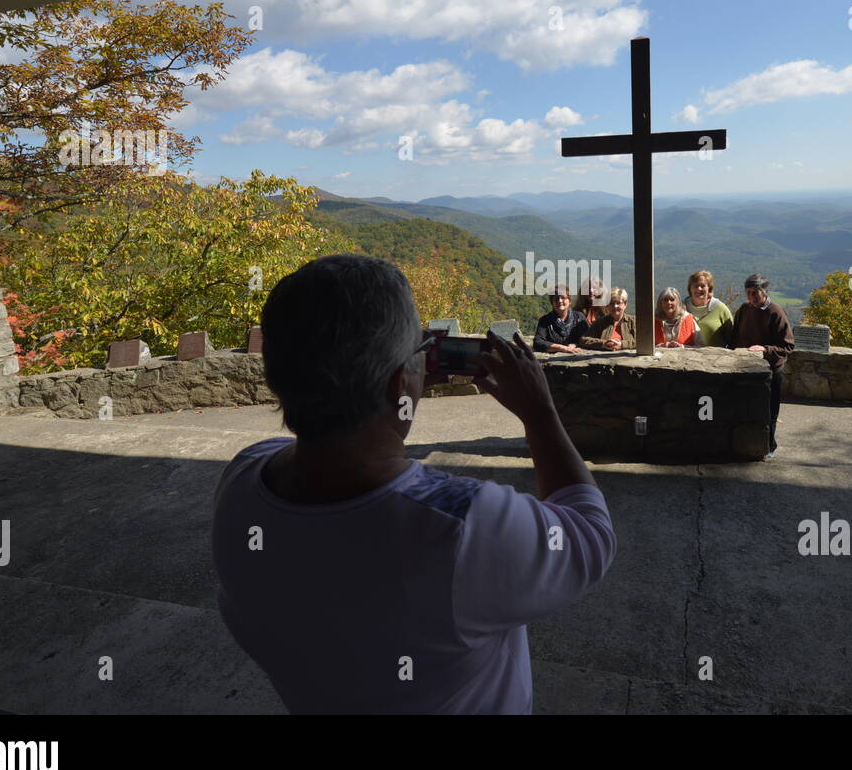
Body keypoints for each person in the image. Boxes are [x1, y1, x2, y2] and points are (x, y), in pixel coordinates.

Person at [211, 255, 615, 714]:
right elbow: (590, 534)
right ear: (402, 378)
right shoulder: (462, 525)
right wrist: (539, 413)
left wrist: (399, 382)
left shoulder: (241, 484)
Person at [727, 273, 795, 458]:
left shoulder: (776, 312)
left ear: (764, 292)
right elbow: (735, 337)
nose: (751, 297)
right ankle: (746, 446)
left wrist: (764, 350)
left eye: (755, 292)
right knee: (746, 410)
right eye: (748, 292)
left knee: (768, 412)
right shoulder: (744, 310)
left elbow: (787, 346)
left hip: (771, 372)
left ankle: (769, 447)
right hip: (744, 368)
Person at [684, 270, 734, 347]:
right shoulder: (682, 308)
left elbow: (732, 337)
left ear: (709, 288)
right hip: (685, 356)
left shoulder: (720, 308)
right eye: (695, 285)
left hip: (715, 357)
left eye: (703, 286)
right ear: (690, 288)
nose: (699, 289)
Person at [532, 284, 588, 353]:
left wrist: (575, 344)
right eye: (556, 298)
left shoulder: (579, 317)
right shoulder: (545, 320)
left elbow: (587, 338)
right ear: (552, 302)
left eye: (563, 298)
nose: (560, 301)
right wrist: (561, 347)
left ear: (569, 301)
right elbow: (538, 343)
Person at [579, 287, 635, 351]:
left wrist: (622, 344)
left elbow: (643, 340)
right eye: (611, 303)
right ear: (607, 306)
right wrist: (604, 343)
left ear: (625, 305)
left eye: (618, 303)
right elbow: (583, 340)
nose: (615, 306)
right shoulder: (600, 322)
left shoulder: (633, 322)